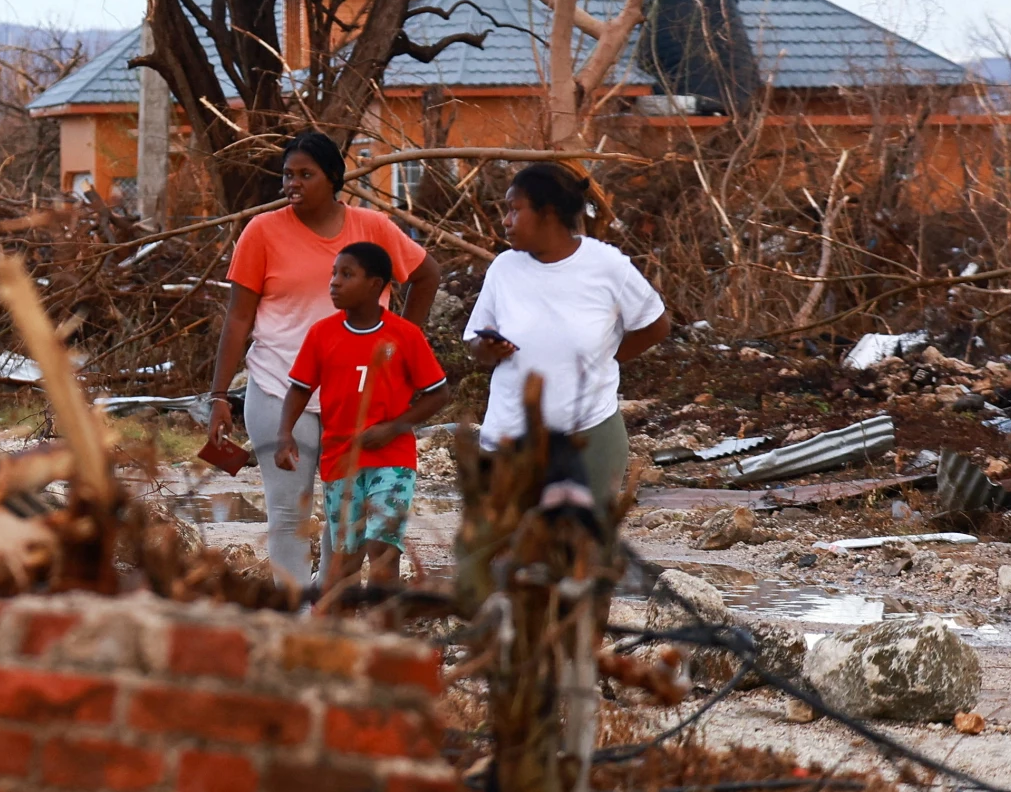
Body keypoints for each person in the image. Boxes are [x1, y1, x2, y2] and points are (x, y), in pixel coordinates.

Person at [205, 130, 439, 589]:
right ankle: (292, 616)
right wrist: (217, 395)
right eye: (287, 175)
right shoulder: (262, 232)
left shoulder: (372, 228)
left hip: (354, 394)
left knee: (344, 511)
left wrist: (400, 344)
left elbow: (427, 274)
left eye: (305, 175)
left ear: (333, 178)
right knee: (289, 509)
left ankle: (334, 609)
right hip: (278, 387)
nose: (293, 183)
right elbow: (237, 319)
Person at [464, 161, 672, 508]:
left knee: (576, 553)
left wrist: (606, 358)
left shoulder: (608, 266)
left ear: (547, 214)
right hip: (509, 437)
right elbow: (475, 342)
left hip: (589, 437)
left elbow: (656, 325)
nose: (505, 221)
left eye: (514, 210)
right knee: (502, 554)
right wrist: (486, 348)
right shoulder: (504, 269)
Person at [273, 243, 450, 589]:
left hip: (393, 459)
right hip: (341, 460)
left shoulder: (405, 335)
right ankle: (347, 637)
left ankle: (384, 631)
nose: (334, 282)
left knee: (383, 547)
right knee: (346, 557)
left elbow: (438, 393)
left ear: (375, 284)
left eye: (347, 274)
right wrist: (284, 434)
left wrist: (394, 428)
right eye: (333, 274)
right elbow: (299, 388)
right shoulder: (321, 334)